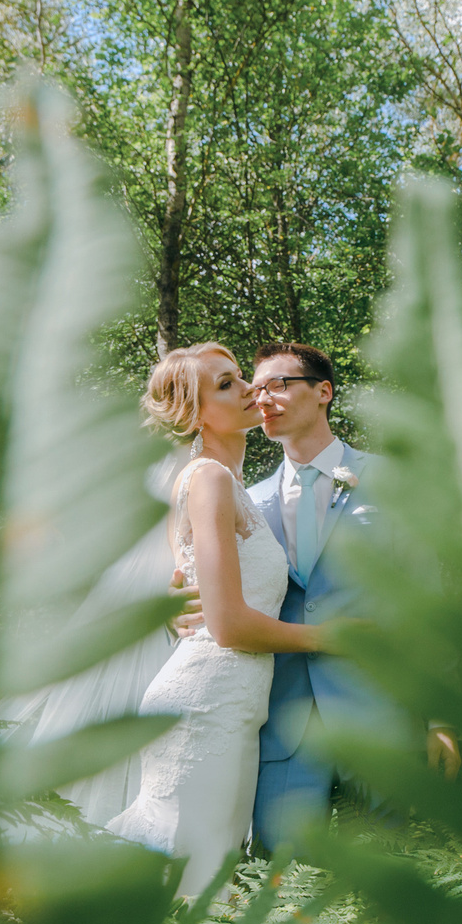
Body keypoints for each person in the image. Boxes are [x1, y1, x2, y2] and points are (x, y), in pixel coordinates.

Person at [105, 342, 325, 895]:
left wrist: (175, 599)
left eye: (239, 378)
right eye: (227, 385)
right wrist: (334, 638)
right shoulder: (207, 479)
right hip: (206, 704)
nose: (252, 389)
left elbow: (181, 582)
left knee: (207, 874)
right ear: (196, 413)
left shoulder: (224, 485)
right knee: (189, 875)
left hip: (233, 704)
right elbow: (228, 626)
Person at [245, 342, 377, 851]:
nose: (263, 399)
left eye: (278, 384)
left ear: (323, 392)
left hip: (382, 715)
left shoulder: (390, 480)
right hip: (282, 724)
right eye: (256, 390)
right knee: (279, 890)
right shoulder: (247, 502)